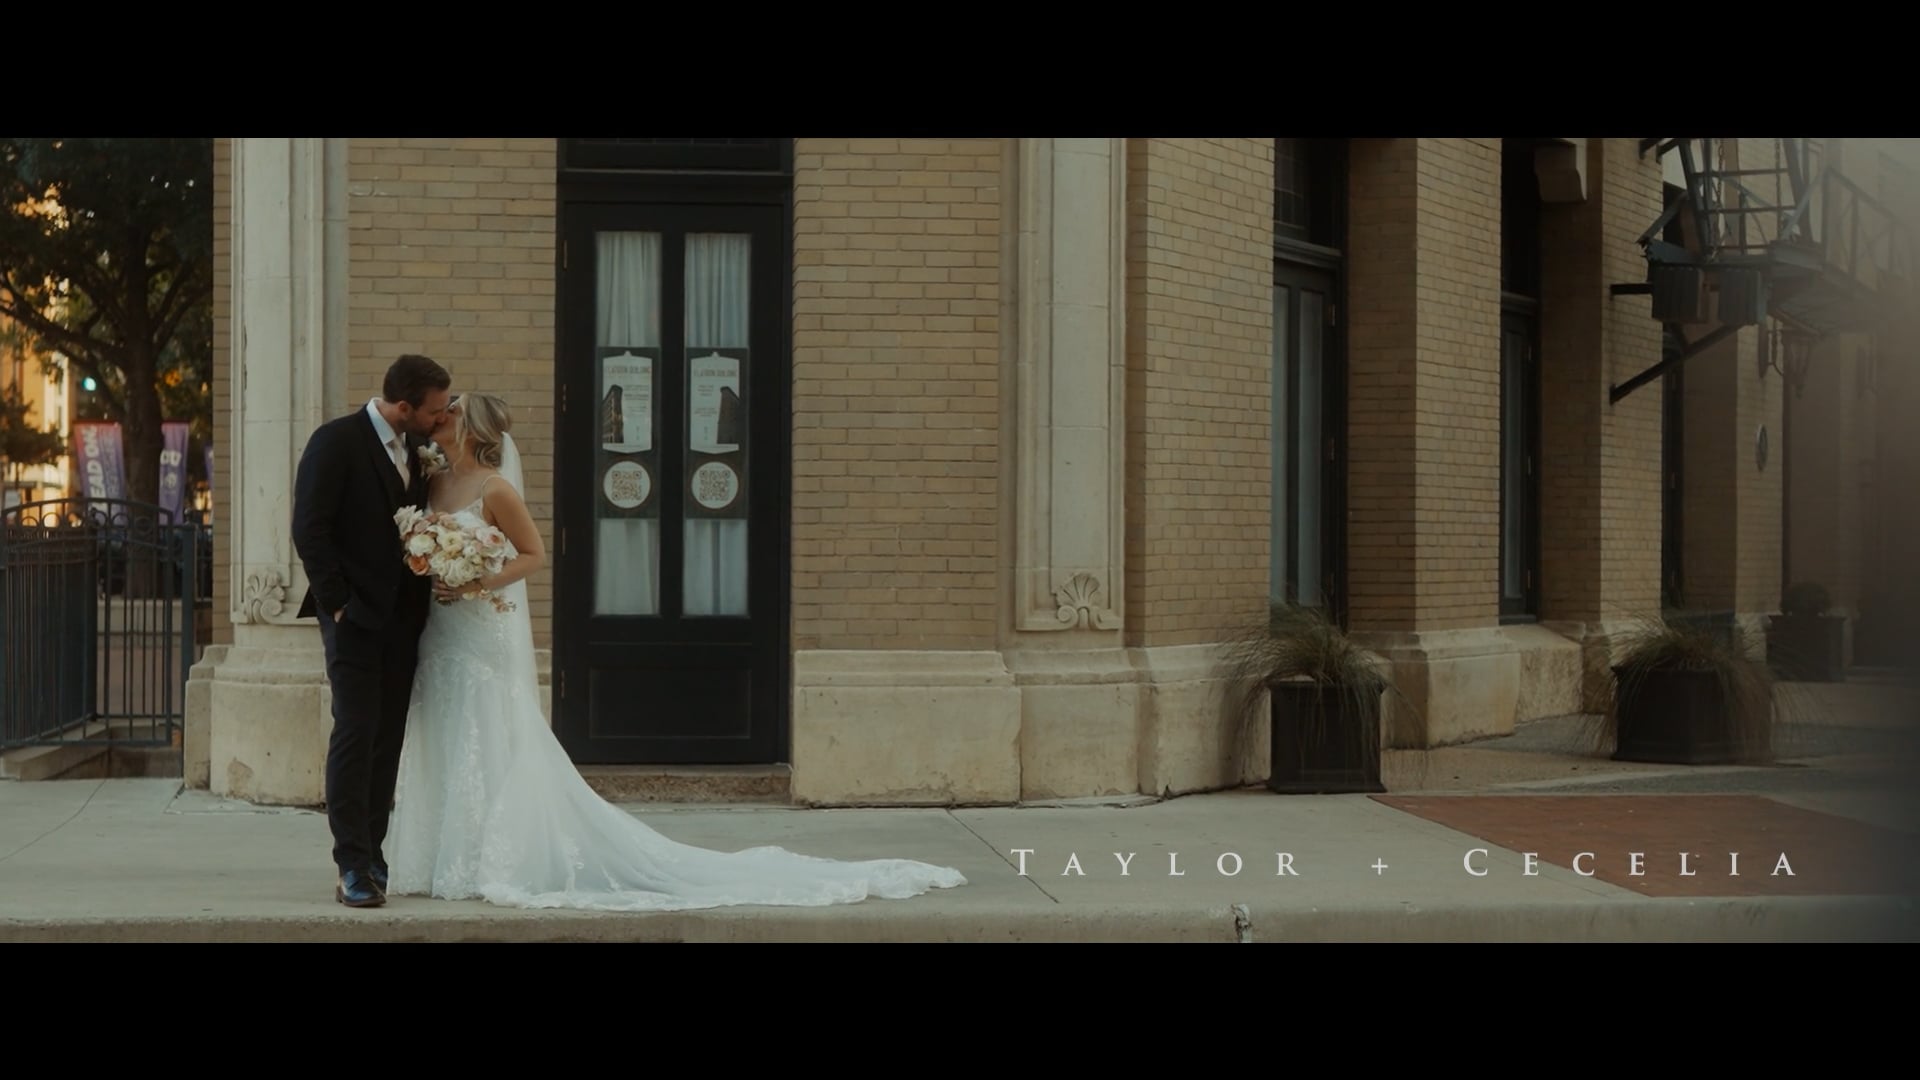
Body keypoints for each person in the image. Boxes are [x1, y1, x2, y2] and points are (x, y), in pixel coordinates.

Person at [383, 392, 967, 910]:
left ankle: (492, 855)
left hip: (477, 622)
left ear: (474, 428)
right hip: (441, 628)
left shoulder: (496, 489)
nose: (441, 416)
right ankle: (441, 855)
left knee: (490, 727)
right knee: (444, 727)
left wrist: (475, 580)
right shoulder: (432, 481)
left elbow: (533, 555)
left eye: (451, 411)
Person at [292, 354, 456, 908]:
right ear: (403, 406)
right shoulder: (335, 441)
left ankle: (376, 853)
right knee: (356, 732)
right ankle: (351, 865)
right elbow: (309, 528)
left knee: (387, 739)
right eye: (434, 410)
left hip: (405, 621)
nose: (442, 418)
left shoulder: (418, 450)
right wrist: (338, 606)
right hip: (354, 617)